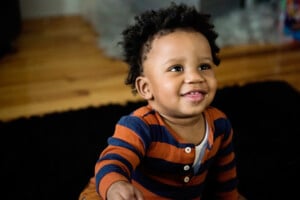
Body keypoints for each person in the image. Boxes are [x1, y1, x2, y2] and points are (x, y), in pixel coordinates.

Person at [79, 2, 246, 200]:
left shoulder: (220, 125)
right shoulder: (140, 126)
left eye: (203, 66)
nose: (195, 77)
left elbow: (225, 175)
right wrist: (116, 185)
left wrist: (230, 197)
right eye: (176, 68)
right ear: (146, 88)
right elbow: (112, 161)